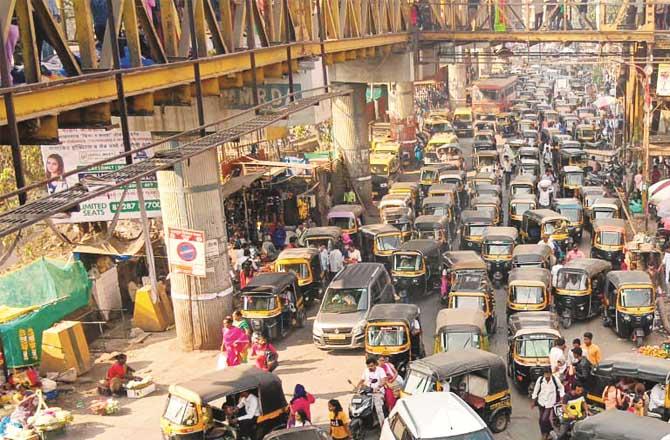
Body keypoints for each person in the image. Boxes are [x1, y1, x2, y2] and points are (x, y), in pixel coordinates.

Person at [531, 368, 565, 440]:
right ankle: (550, 430)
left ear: (551, 373)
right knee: (541, 419)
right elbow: (536, 390)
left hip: (550, 402)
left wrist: (562, 398)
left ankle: (545, 434)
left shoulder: (555, 380)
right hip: (541, 401)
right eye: (545, 374)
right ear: (543, 374)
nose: (547, 375)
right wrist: (533, 401)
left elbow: (561, 388)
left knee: (543, 419)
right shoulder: (540, 380)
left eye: (548, 373)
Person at [357, 357, 387, 427]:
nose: (370, 367)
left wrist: (378, 387)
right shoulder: (366, 370)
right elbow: (362, 380)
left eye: (371, 366)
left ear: (375, 364)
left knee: (379, 410)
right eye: (368, 366)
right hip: (368, 391)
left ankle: (382, 426)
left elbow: (384, 380)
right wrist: (357, 387)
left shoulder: (380, 370)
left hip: (378, 392)